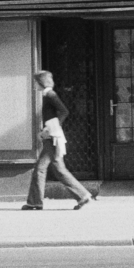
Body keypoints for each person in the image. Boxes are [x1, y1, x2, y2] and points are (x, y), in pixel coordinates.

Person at [24, 71, 95, 211]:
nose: (33, 84)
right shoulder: (47, 95)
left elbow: (64, 111)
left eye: (35, 81)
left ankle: (35, 202)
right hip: (53, 136)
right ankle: (83, 195)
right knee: (58, 169)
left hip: (53, 137)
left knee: (40, 169)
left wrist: (49, 128)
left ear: (40, 82)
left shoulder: (50, 95)